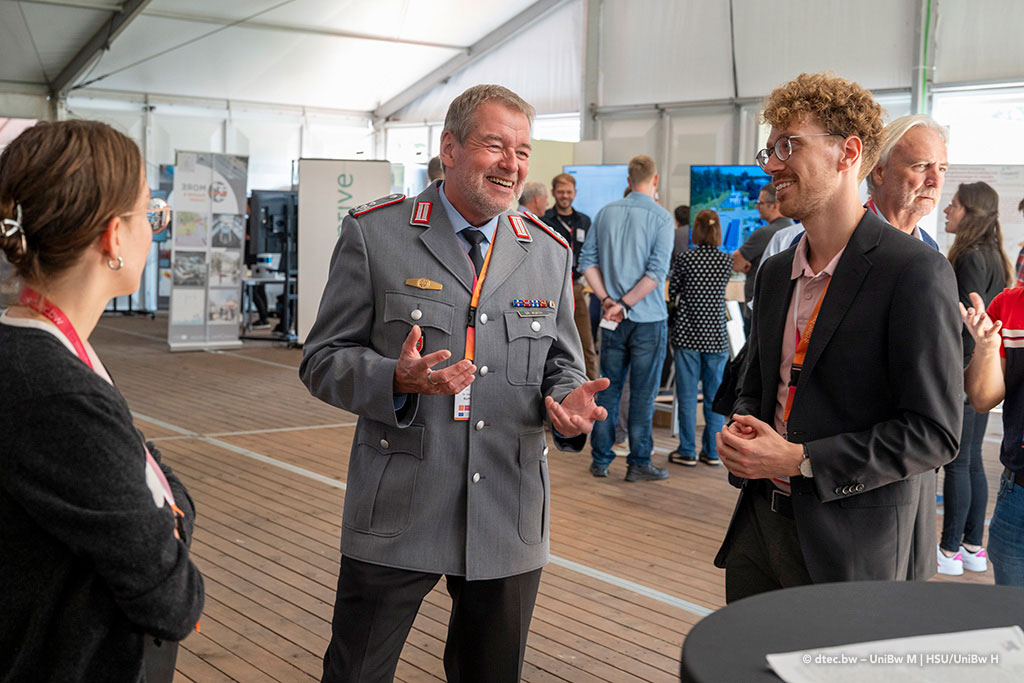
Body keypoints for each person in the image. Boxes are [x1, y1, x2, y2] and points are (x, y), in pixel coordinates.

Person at [300, 84, 608, 683]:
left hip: (507, 507)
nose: (511, 164)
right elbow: (322, 359)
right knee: (356, 672)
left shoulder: (548, 251)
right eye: (495, 145)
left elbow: (562, 363)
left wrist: (567, 401)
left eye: (523, 151)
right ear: (450, 148)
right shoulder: (376, 234)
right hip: (399, 506)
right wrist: (395, 378)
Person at [714, 72, 962, 602]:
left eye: (789, 145)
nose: (772, 164)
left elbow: (934, 433)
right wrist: (744, 427)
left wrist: (800, 459)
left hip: (850, 546)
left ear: (848, 153)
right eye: (770, 150)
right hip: (758, 532)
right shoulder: (776, 272)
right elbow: (756, 386)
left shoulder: (913, 272)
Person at [0, 120, 204, 681]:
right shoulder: (56, 390)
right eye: (149, 213)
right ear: (114, 236)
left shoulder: (41, 349)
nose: (154, 230)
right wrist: (168, 517)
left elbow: (136, 470)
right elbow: (173, 598)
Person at [579, 154, 675, 482]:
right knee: (643, 394)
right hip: (647, 320)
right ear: (655, 180)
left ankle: (600, 459)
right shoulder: (662, 218)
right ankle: (639, 463)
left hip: (612, 319)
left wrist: (608, 301)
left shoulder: (605, 213)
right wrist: (624, 304)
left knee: (607, 389)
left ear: (628, 180)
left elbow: (587, 262)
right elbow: (656, 274)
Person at [937, 182, 1013, 575]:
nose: (946, 210)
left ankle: (950, 549)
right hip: (982, 370)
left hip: (967, 374)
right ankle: (971, 547)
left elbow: (966, 325)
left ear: (969, 212)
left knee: (958, 462)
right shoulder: (995, 255)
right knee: (971, 462)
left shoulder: (968, 257)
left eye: (953, 205)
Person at [961, 287, 1024, 588]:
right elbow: (982, 400)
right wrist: (986, 349)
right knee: (1012, 610)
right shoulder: (1009, 306)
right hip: (1018, 493)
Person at [667, 209, 732, 467]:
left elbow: (673, 290)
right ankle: (713, 452)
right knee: (714, 398)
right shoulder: (726, 261)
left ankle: (687, 450)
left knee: (687, 395)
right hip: (716, 337)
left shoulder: (685, 259)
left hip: (687, 335)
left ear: (696, 231)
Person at [543, 172, 598, 379]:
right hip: (550, 286)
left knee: (585, 342)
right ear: (553, 193)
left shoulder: (584, 221)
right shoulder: (544, 221)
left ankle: (590, 389)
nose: (565, 196)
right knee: (550, 342)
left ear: (574, 193)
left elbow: (591, 252)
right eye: (560, 192)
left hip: (575, 286)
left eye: (568, 192)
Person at [866, 114, 948, 247]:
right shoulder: (845, 239)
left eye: (942, 169)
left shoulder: (931, 246)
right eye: (921, 166)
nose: (935, 182)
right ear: (879, 173)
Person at [732, 184, 793, 334]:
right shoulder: (794, 230)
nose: (757, 206)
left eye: (761, 203)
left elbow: (735, 263)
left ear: (775, 205)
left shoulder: (764, 233)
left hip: (757, 309)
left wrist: (748, 265)